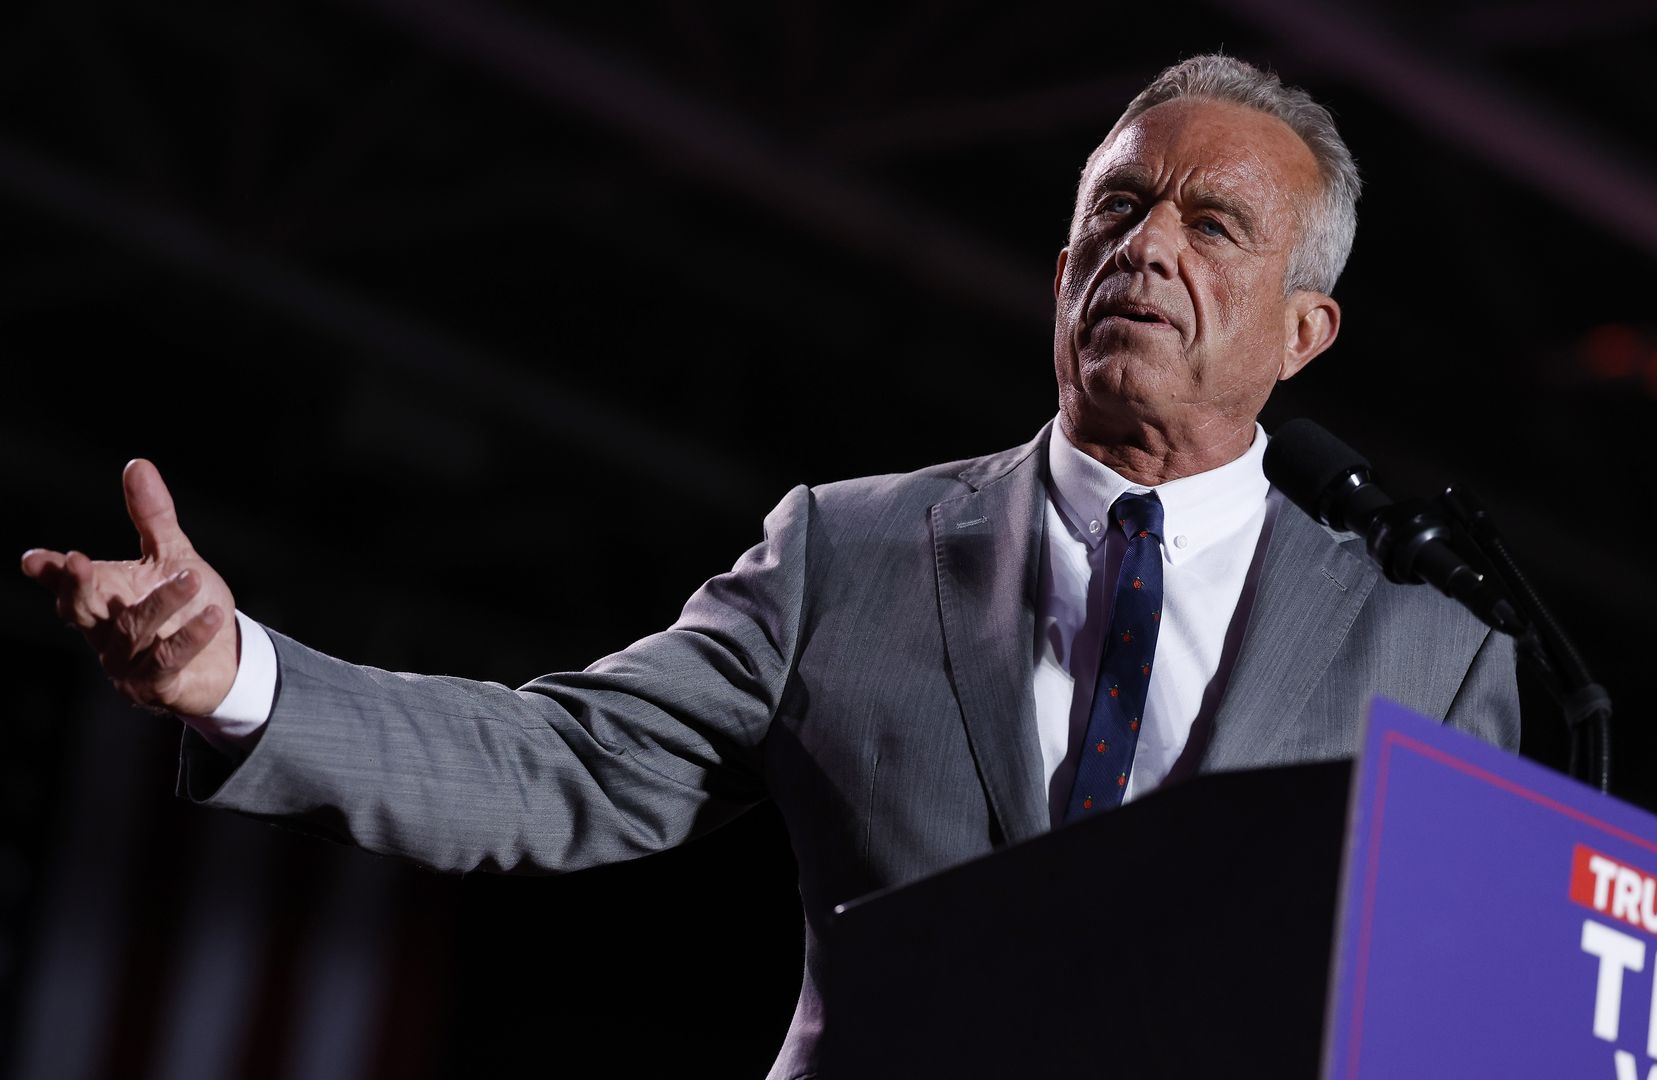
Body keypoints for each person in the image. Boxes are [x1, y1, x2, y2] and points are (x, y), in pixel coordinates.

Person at [20, 53, 1519, 1078]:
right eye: (1116, 211)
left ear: (1302, 331)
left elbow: (1466, 1018)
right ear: (1064, 270)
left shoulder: (1433, 644)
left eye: (1214, 225)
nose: (1149, 248)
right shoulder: (848, 552)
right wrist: (239, 677)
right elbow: (566, 762)